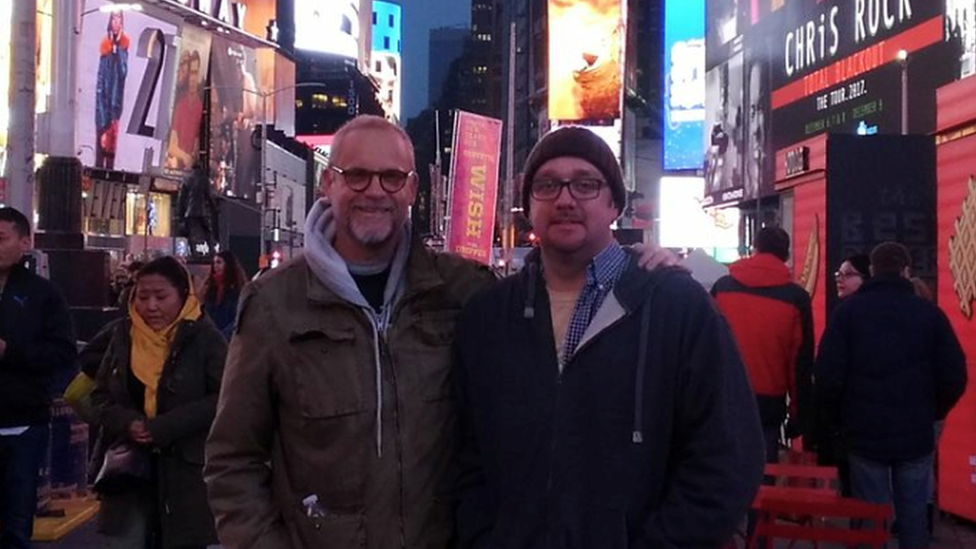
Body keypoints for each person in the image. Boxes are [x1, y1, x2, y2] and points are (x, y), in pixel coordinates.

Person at [204, 115, 680, 549]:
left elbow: (556, 290)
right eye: (357, 175)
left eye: (392, 177)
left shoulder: (464, 290)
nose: (375, 190)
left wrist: (638, 266)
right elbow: (232, 458)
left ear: (412, 190)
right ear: (328, 182)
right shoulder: (273, 304)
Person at [452, 126, 764, 547]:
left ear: (614, 202)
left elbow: (728, 458)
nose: (565, 199)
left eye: (585, 184)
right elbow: (466, 456)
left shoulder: (677, 307)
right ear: (528, 205)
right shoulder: (488, 316)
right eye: (547, 185)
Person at [815, 242, 967, 549]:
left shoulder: (848, 313)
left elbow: (828, 375)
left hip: (864, 432)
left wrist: (837, 419)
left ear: (872, 271)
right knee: (913, 517)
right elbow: (954, 375)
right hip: (915, 432)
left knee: (870, 516)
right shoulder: (930, 315)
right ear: (906, 270)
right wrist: (933, 410)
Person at [91, 256, 227, 549]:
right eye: (143, 296)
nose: (151, 306)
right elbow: (99, 396)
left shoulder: (205, 339)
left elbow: (225, 399)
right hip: (128, 473)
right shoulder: (122, 336)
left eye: (161, 297)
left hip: (186, 475)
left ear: (183, 296)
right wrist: (128, 423)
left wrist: (164, 427)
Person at [0, 207, 77, 549]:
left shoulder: (43, 295)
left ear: (24, 243)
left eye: (1, 239)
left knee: (16, 522)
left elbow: (63, 355)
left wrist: (10, 352)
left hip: (23, 424)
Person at [712, 227, 815, 464]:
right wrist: (798, 413)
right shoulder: (795, 298)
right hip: (768, 403)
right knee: (762, 473)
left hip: (723, 395)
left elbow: (705, 344)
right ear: (786, 255)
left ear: (754, 249)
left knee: (722, 469)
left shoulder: (723, 287)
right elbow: (799, 361)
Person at [95, 10, 129, 170]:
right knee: (100, 146)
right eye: (113, 18)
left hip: (116, 106)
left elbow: (123, 72)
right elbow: (101, 77)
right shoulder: (104, 44)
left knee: (111, 148)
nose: (116, 22)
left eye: (119, 19)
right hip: (103, 105)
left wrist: (119, 52)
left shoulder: (124, 44)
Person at [166, 50, 205, 171]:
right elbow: (171, 146)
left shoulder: (201, 107)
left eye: (196, 73)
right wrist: (184, 156)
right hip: (175, 169)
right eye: (191, 73)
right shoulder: (180, 105)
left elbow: (198, 145)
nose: (193, 78)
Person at [200, 251, 247, 339]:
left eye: (219, 262)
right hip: (211, 335)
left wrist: (222, 335)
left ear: (228, 265)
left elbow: (237, 317)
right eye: (214, 263)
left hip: (228, 337)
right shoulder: (210, 288)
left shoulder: (237, 289)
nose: (215, 266)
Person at [178, 162, 218, 256]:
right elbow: (208, 196)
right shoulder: (204, 179)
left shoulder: (187, 179)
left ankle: (195, 253)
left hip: (190, 212)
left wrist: (180, 216)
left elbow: (181, 199)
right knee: (208, 232)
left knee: (193, 234)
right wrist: (214, 208)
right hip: (202, 211)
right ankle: (212, 251)